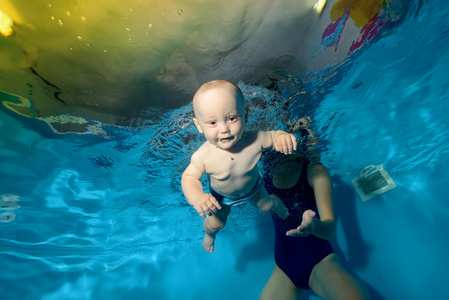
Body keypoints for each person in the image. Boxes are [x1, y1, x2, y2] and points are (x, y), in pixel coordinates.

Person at [181, 79, 297, 253]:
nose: (224, 129)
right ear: (198, 126)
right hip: (221, 197)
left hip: (254, 188)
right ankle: (210, 235)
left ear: (246, 115)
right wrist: (197, 197)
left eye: (232, 118)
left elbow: (273, 136)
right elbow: (189, 177)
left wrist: (282, 137)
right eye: (213, 123)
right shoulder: (202, 156)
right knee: (216, 223)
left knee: (266, 205)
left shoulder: (255, 139)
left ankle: (280, 208)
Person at [259, 153, 369, 300]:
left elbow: (330, 232)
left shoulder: (314, 170)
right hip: (283, 270)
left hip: (320, 262)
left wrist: (314, 226)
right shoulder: (263, 177)